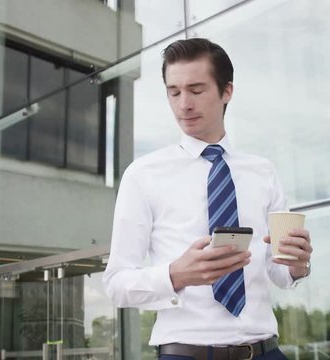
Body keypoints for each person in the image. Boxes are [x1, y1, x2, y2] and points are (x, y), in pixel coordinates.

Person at [103, 38, 312, 360]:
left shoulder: (262, 172)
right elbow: (116, 284)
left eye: (196, 90)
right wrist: (175, 274)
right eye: (174, 92)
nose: (183, 104)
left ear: (226, 91)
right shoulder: (142, 175)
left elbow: (278, 272)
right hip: (186, 353)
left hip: (265, 350)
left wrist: (297, 266)